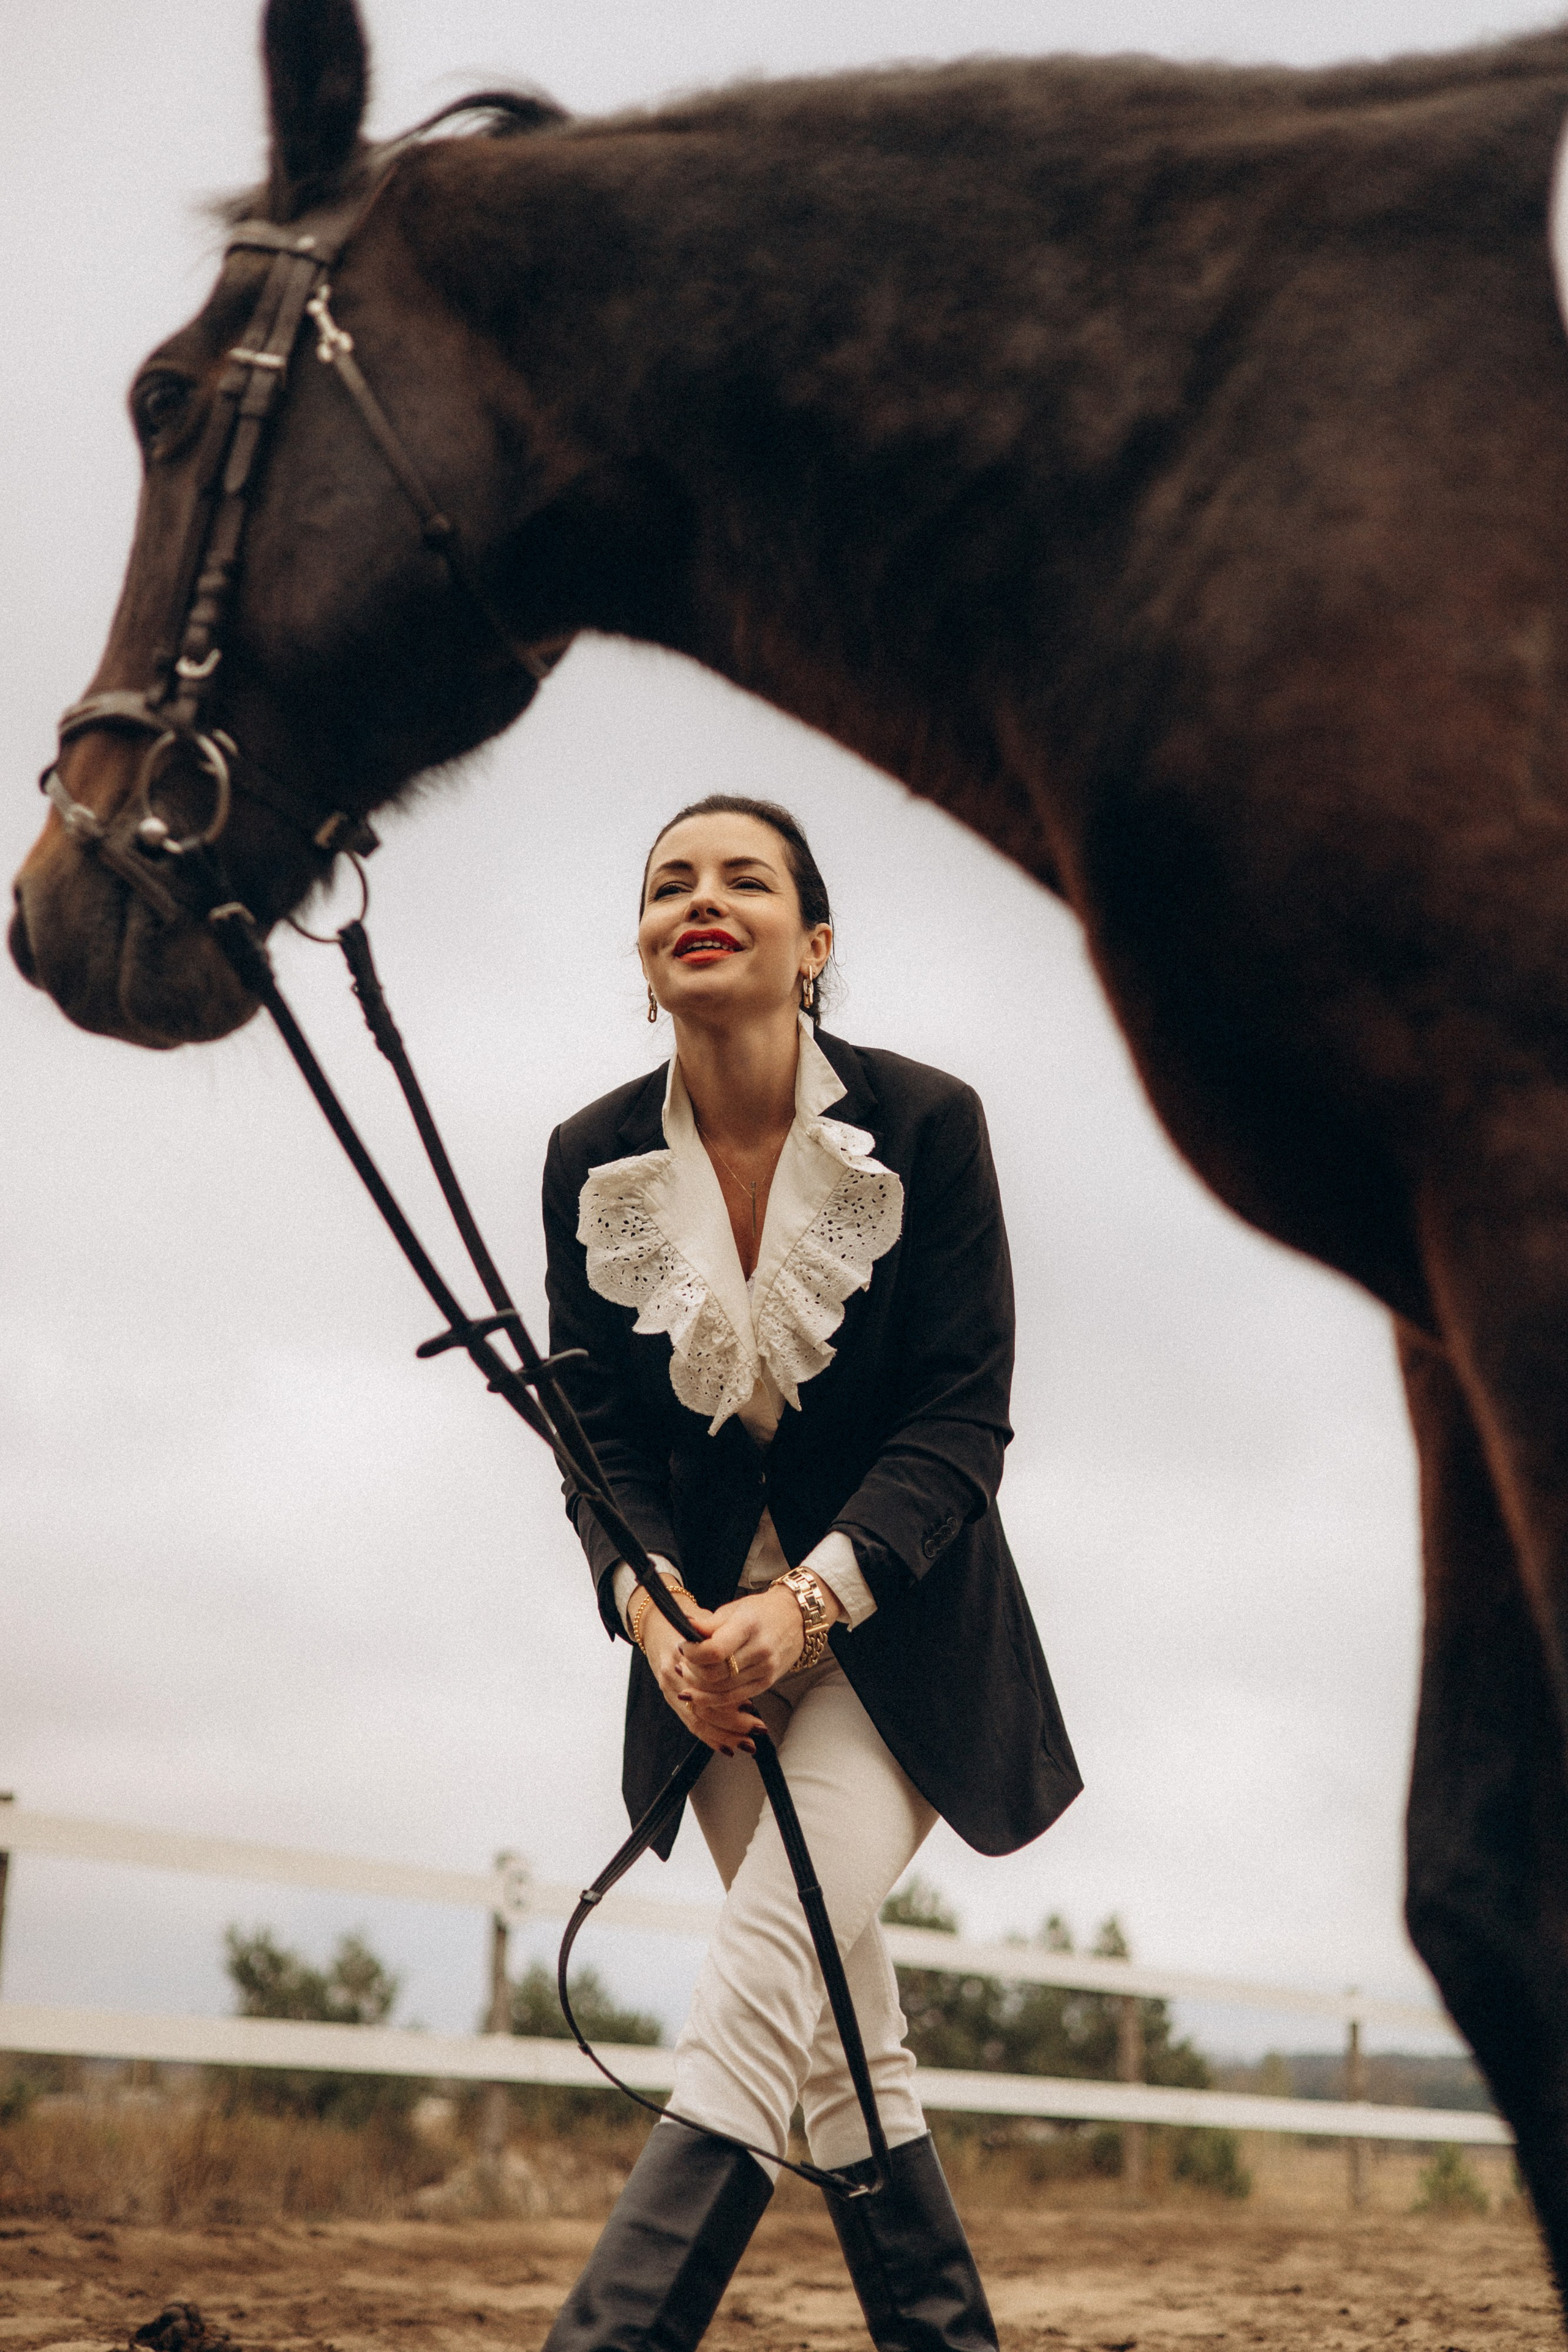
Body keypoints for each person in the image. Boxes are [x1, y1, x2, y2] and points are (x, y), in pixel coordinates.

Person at [540, 794, 1080, 2352]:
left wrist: (811, 1601)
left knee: (768, 1971)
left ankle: (610, 2333)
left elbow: (960, 1419)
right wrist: (657, 1619)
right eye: (669, 883)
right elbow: (597, 1443)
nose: (699, 900)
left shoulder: (927, 1125)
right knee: (848, 2047)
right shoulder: (588, 1159)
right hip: (709, 1666)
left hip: (893, 1638)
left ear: (813, 943)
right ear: (646, 950)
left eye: (744, 879)